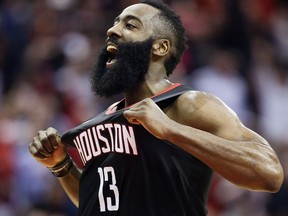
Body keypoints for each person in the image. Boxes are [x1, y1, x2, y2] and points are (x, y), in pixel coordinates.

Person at [28, 0, 284, 215]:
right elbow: (101, 203)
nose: (112, 30)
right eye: (115, 22)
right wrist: (62, 166)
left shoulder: (187, 104)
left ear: (160, 47)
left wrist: (171, 130)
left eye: (129, 25)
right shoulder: (103, 121)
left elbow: (269, 174)